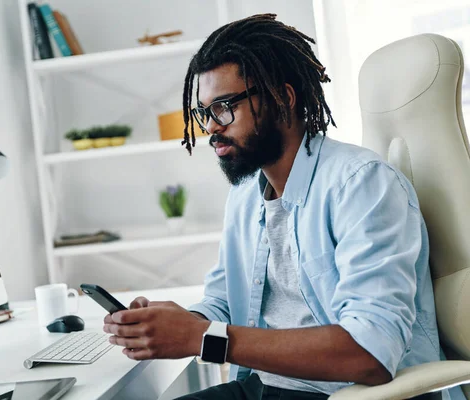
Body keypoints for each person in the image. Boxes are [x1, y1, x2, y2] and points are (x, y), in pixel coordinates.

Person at [103, 14, 457, 400]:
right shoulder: (246, 193)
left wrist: (201, 338)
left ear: (282, 97)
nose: (211, 127)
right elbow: (225, 301)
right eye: (205, 112)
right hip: (266, 385)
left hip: (351, 394)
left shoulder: (362, 185)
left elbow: (371, 352)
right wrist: (180, 322)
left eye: (224, 107)